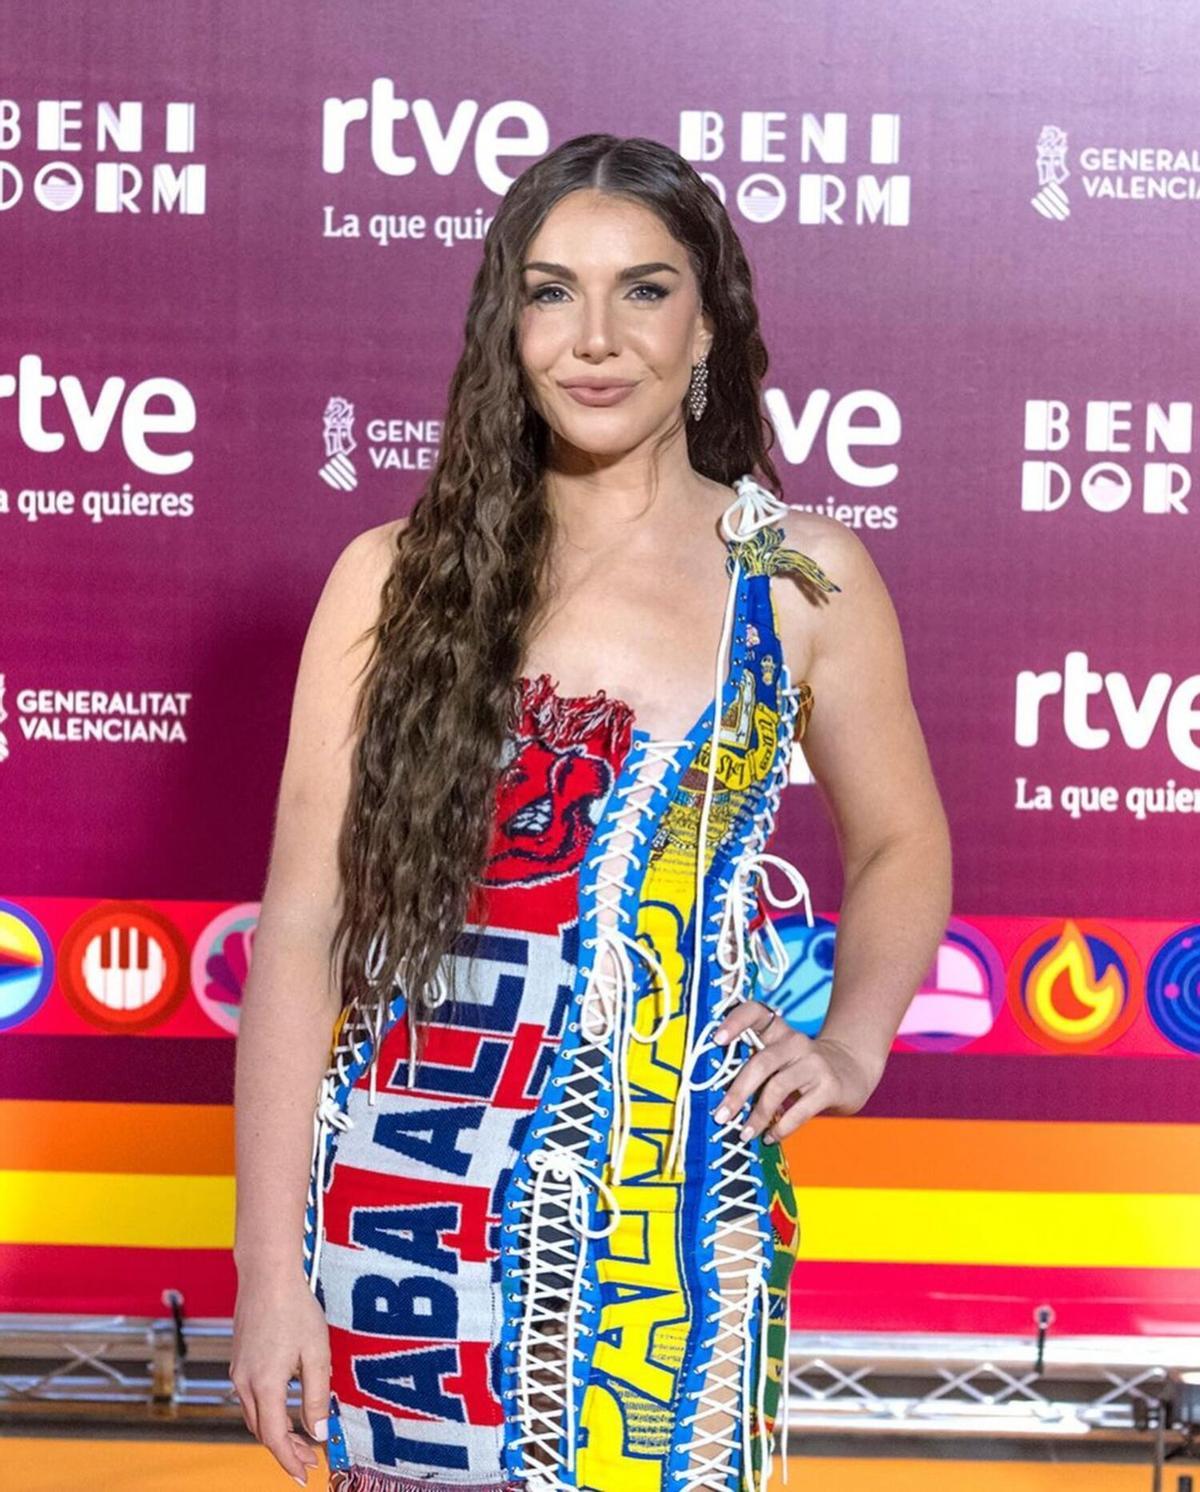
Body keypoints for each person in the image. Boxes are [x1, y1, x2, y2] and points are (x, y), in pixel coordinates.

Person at [230, 132, 952, 1492]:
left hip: (670, 1231)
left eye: (645, 289)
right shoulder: (391, 578)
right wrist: (271, 1278)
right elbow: (302, 931)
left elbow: (905, 841)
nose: (595, 338)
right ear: (508, 323)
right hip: (411, 1218)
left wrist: (851, 1043)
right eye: (553, 291)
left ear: (708, 322)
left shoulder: (800, 580)